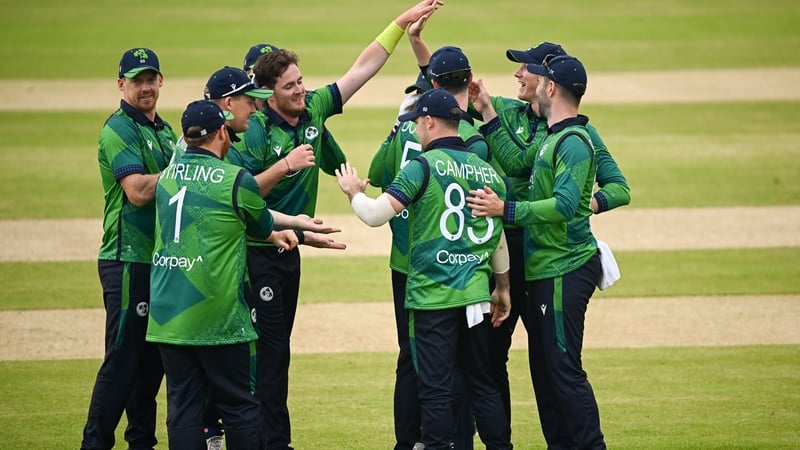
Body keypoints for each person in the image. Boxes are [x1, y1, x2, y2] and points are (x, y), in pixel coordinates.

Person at [231, 2, 444, 448]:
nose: (301, 91)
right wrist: (285, 166)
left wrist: (399, 24)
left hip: (290, 249)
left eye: (301, 81)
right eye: (290, 86)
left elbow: (361, 69)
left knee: (277, 353)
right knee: (266, 356)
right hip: (255, 251)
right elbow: (240, 195)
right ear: (268, 94)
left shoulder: (313, 112)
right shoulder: (253, 133)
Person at [468, 41, 631, 438]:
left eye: (528, 69)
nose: (520, 75)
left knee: (562, 370)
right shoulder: (549, 134)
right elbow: (517, 161)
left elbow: (587, 197)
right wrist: (488, 110)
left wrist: (582, 203)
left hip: (562, 263)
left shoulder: (575, 138)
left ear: (550, 84)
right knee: (545, 370)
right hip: (540, 261)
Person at [337, 88, 512, 450]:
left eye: (417, 122)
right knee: (483, 383)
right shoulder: (486, 170)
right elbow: (497, 239)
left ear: (429, 121)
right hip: (476, 297)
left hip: (432, 298)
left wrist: (353, 192)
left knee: (434, 388)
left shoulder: (422, 167)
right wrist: (504, 288)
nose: (415, 129)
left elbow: (374, 215)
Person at [146, 100, 299, 450]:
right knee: (240, 406)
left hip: (169, 313)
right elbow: (260, 224)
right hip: (219, 315)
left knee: (183, 410)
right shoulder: (236, 179)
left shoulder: (167, 177)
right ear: (219, 133)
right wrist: (290, 228)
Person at [366, 39, 488, 450]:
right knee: (461, 364)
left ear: (431, 82)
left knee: (412, 358)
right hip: (462, 268)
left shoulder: (408, 125)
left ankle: (410, 442)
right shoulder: (472, 135)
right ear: (468, 82)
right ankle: (455, 440)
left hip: (406, 262)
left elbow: (377, 173)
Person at [81, 47, 174, 450]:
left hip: (159, 263)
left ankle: (141, 443)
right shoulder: (118, 129)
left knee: (151, 365)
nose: (145, 86)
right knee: (122, 362)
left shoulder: (167, 132)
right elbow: (137, 191)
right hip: (126, 260)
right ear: (121, 84)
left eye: (150, 78)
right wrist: (182, 169)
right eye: (136, 80)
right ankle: (94, 444)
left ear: (161, 81)